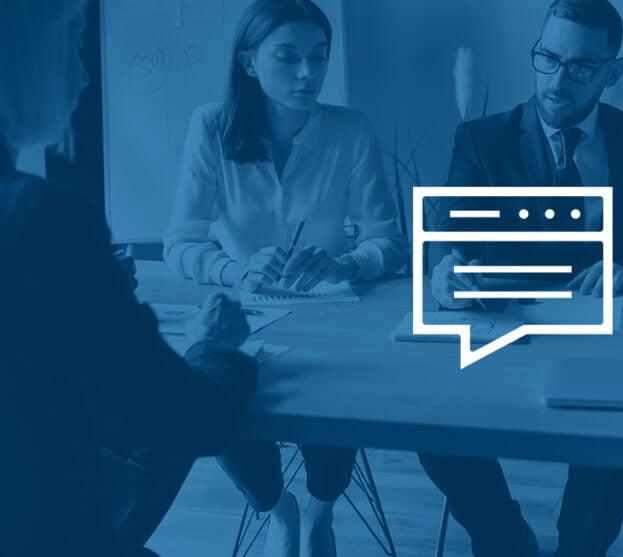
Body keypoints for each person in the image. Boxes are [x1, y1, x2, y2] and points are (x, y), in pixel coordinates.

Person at [422, 1, 623, 555]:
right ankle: (505, 536)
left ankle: (579, 548)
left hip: (606, 349)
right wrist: (445, 272)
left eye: (579, 68)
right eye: (547, 57)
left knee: (617, 437)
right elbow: (449, 242)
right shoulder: (482, 139)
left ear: (611, 73)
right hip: (505, 337)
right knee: (431, 423)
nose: (556, 79)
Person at [0, 1, 258, 555]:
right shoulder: (48, 219)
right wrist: (216, 347)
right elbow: (190, 421)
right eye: (72, 48)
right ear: (24, 57)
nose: (87, 73)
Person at [161, 0, 406, 555]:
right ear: (249, 62)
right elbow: (180, 243)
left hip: (337, 320)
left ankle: (321, 510)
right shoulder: (212, 127)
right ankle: (277, 507)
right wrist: (235, 269)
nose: (308, 74)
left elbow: (388, 242)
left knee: (342, 398)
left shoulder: (350, 129)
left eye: (318, 57)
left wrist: (347, 262)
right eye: (288, 58)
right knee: (216, 391)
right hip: (250, 321)